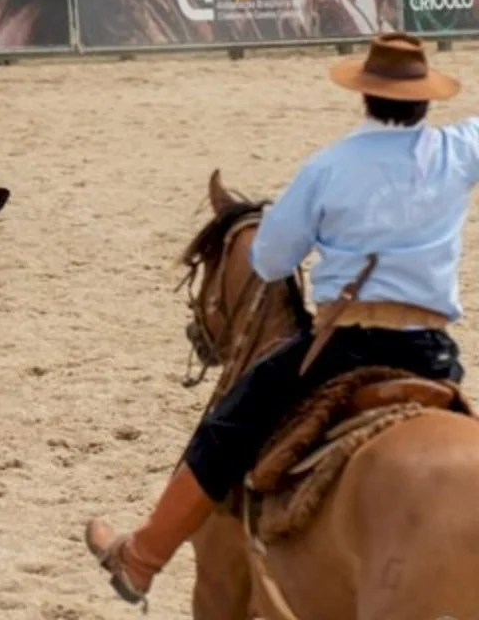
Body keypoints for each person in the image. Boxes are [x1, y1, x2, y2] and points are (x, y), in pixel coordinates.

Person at [85, 32, 471, 607]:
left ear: (366, 97)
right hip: (431, 353)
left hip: (347, 345)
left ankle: (141, 558)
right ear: (426, 100)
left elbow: (270, 259)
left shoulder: (329, 167)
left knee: (227, 428)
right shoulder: (457, 150)